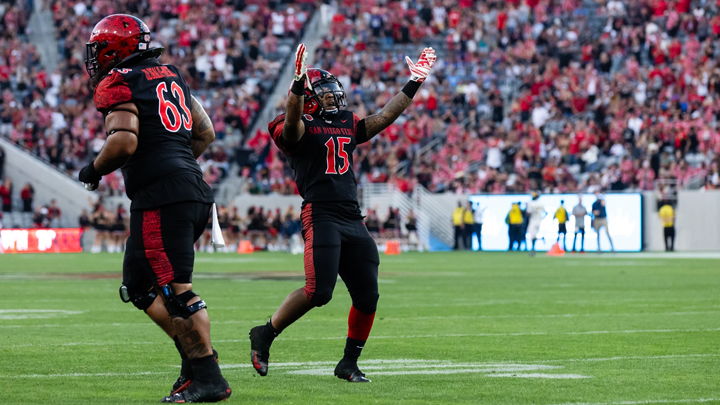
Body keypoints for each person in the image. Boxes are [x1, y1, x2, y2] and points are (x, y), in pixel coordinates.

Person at [249, 44, 436, 383]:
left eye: (334, 94)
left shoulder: (346, 122)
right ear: (307, 97)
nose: (333, 99)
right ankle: (265, 333)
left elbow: (383, 117)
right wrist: (295, 85)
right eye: (324, 94)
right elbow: (291, 127)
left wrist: (414, 81)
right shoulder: (295, 123)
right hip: (320, 214)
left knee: (368, 295)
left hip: (352, 216)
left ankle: (348, 363)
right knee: (319, 291)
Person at [76, 15, 230, 403]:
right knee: (139, 286)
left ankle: (208, 376)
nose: (95, 59)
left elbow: (124, 142)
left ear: (115, 49)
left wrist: (92, 171)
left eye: (99, 50)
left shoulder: (117, 81)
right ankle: (194, 361)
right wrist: (176, 168)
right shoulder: (171, 74)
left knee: (175, 290)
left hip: (163, 199)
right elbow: (205, 131)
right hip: (187, 189)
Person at [526, 192, 546, 256]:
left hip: (533, 220)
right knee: (534, 235)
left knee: (532, 235)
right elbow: (546, 212)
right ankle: (534, 248)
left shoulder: (530, 204)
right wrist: (542, 218)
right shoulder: (540, 204)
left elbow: (528, 213)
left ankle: (533, 249)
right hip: (539, 221)